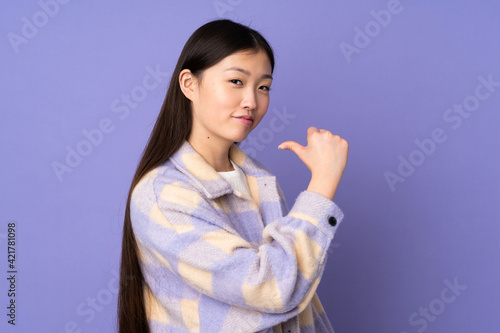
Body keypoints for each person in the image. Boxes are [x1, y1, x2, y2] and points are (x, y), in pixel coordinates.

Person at [117, 19, 349, 333]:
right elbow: (273, 288)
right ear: (189, 84)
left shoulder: (259, 179)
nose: (252, 101)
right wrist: (322, 185)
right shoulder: (164, 195)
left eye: (263, 87)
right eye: (236, 81)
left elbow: (302, 306)